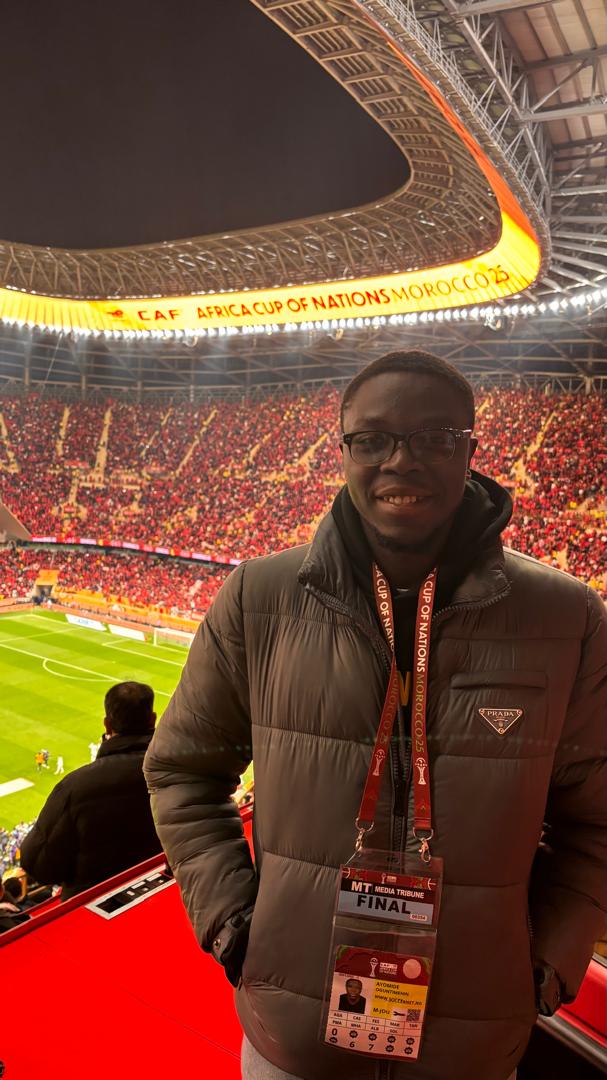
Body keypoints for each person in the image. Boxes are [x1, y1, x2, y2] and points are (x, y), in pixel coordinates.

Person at [144, 351, 607, 1080]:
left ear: (470, 450)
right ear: (344, 450)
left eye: (433, 437)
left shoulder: (566, 616)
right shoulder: (256, 597)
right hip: (292, 1033)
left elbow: (598, 816)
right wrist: (235, 926)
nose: (402, 460)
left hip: (470, 1043)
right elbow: (180, 772)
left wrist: (544, 962)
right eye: (373, 439)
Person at [21, 682, 163, 901]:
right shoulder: (184, 770)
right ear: (152, 719)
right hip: (163, 892)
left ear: (107, 725)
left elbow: (38, 865)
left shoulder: (76, 787)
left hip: (93, 907)